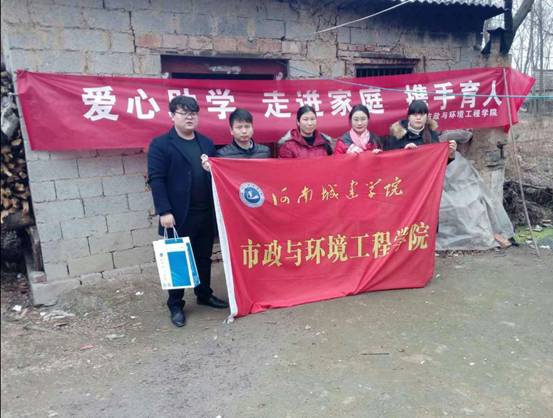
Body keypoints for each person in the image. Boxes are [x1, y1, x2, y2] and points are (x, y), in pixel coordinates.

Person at [147, 95, 228, 328]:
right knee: (177, 260)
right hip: (177, 214)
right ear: (172, 116)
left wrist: (211, 170)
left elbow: (219, 173)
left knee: (204, 256)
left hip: (205, 211)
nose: (189, 117)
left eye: (193, 113)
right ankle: (175, 304)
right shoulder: (161, 144)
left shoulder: (206, 143)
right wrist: (164, 210)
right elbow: (156, 179)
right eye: (184, 113)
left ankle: (204, 293)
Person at [387, 99, 457, 160]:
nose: (418, 118)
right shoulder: (398, 134)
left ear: (427, 116)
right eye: (415, 115)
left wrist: (450, 154)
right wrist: (405, 152)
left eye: (422, 114)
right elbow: (391, 161)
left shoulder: (432, 134)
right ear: (408, 117)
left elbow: (437, 164)